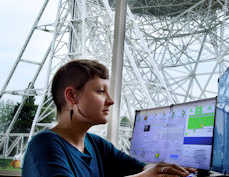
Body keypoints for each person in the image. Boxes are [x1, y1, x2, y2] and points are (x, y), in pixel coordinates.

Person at [22, 59, 197, 177]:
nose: (111, 101)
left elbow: (141, 167)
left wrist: (170, 170)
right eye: (100, 91)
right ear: (72, 97)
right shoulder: (44, 144)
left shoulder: (96, 145)